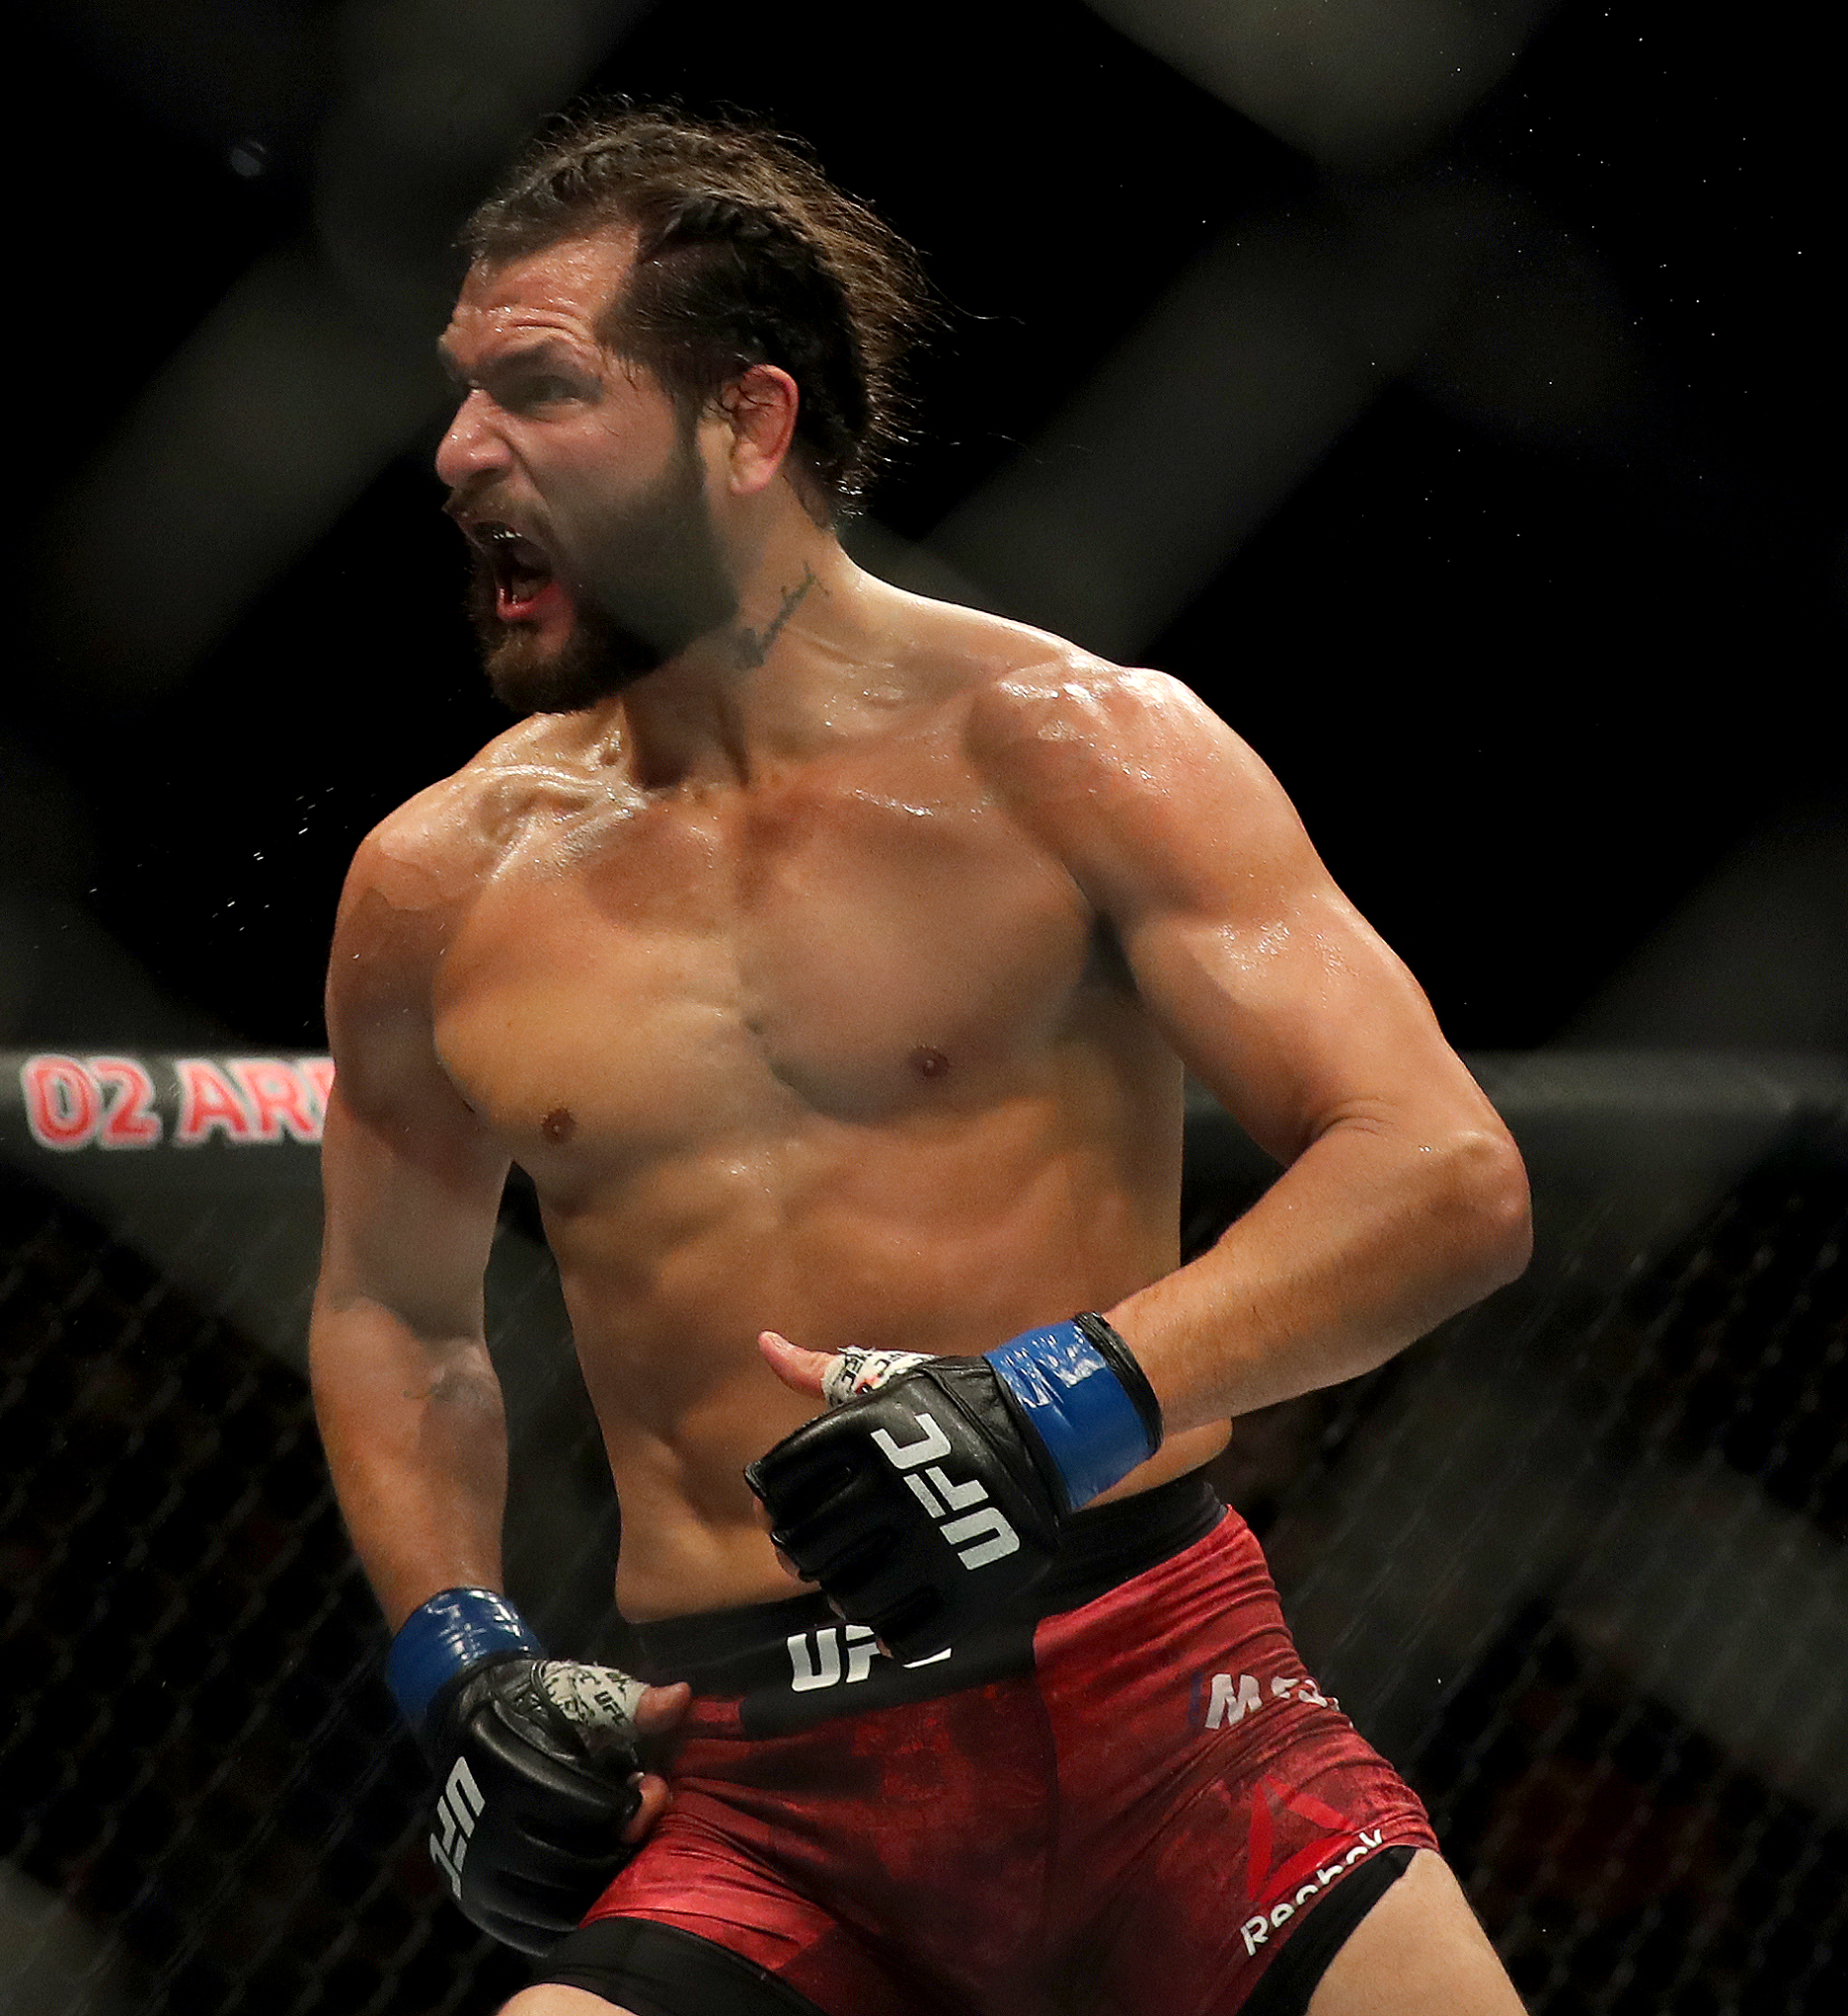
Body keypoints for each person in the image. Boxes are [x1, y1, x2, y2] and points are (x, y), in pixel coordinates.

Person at [307, 108, 1534, 2016]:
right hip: (757, 1798)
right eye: (462, 391)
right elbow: (397, 1316)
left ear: (748, 423)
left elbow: (1443, 1174)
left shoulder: (1077, 750)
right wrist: (459, 1659)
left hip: (1159, 1714)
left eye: (538, 386)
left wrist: (1055, 1405)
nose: (462, 449)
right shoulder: (439, 880)